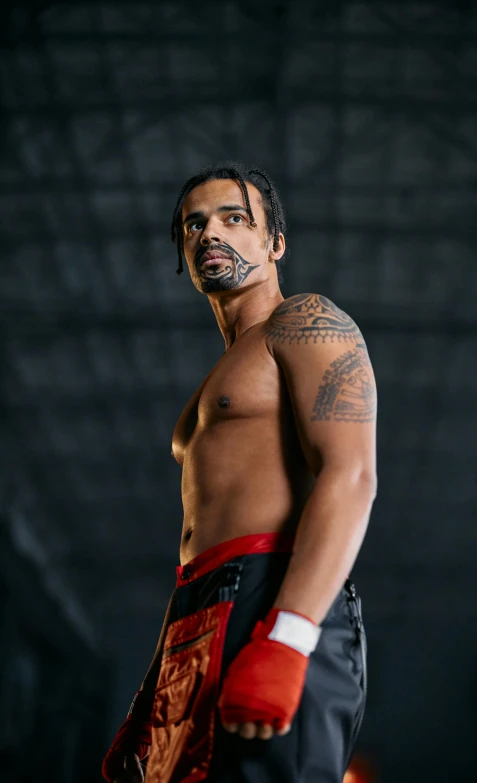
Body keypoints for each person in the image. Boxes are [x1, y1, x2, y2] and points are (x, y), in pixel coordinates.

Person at [102, 163, 377, 783]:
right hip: (197, 611)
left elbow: (351, 475)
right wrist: (151, 689)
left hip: (273, 593)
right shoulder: (220, 376)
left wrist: (290, 635)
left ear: (275, 242)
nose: (208, 234)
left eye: (233, 217)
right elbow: (197, 549)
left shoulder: (304, 322)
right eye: (193, 225)